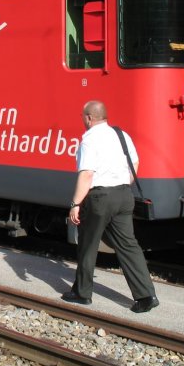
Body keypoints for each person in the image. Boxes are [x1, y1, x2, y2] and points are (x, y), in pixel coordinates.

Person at [62, 100, 159, 313]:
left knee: (88, 244)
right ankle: (146, 296)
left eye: (82, 116)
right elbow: (135, 163)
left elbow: (87, 174)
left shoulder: (89, 140)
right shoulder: (121, 135)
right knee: (128, 245)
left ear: (88, 118)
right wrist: (121, 183)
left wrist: (75, 204)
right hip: (124, 195)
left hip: (99, 198)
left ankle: (82, 293)